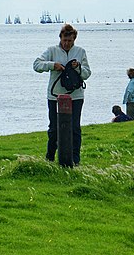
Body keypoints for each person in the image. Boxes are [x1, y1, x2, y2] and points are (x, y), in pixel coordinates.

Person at [33, 23, 91, 165]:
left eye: (70, 41)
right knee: (54, 129)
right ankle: (50, 158)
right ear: (60, 38)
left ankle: (75, 161)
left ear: (74, 39)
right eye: (64, 40)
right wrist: (52, 65)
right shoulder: (51, 51)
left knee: (75, 129)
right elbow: (36, 65)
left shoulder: (80, 52)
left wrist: (78, 68)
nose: (67, 44)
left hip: (75, 96)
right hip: (55, 96)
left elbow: (87, 74)